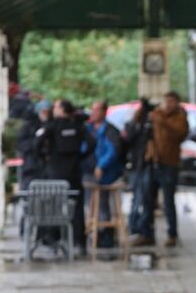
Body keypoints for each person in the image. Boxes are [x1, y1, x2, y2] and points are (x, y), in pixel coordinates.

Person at [39, 99, 93, 253]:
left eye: (56, 106)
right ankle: (80, 242)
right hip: (74, 170)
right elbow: (92, 142)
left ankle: (53, 239)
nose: (53, 109)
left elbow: (38, 143)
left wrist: (45, 158)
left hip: (56, 172)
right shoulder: (78, 126)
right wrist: (80, 156)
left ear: (63, 110)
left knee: (54, 205)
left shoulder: (53, 126)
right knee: (76, 206)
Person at [147, 91, 189, 248]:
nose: (168, 104)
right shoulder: (157, 114)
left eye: (172, 101)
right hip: (155, 161)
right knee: (149, 199)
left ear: (177, 102)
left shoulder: (180, 118)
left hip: (170, 163)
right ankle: (148, 233)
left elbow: (179, 134)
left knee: (168, 200)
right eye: (167, 101)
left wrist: (162, 120)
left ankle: (172, 234)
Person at [84, 100, 124, 249]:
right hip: (89, 171)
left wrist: (101, 166)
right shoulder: (88, 129)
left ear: (104, 112)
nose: (93, 113)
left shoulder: (111, 131)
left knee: (103, 205)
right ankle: (94, 232)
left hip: (107, 175)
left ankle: (106, 234)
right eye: (92, 110)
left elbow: (112, 151)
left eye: (97, 110)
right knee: (90, 204)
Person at [125, 97, 157, 246]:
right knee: (137, 198)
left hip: (147, 165)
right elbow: (128, 141)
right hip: (138, 165)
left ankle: (144, 230)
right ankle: (134, 228)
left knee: (146, 199)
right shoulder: (133, 125)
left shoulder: (151, 125)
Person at [17, 99, 50, 192]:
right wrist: (36, 143)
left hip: (48, 168)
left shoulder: (51, 125)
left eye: (48, 112)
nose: (46, 114)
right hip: (31, 167)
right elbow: (21, 144)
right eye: (44, 111)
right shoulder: (29, 126)